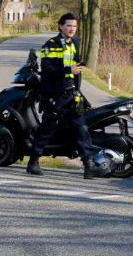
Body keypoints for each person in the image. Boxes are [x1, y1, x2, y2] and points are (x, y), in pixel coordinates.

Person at [26, 13, 101, 178]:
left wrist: (78, 89)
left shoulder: (74, 43)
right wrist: (69, 70)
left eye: (74, 26)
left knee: (82, 129)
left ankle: (88, 166)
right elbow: (47, 70)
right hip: (55, 94)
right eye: (68, 26)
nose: (72, 29)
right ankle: (33, 162)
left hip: (71, 94)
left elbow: (75, 67)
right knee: (47, 129)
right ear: (60, 26)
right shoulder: (51, 45)